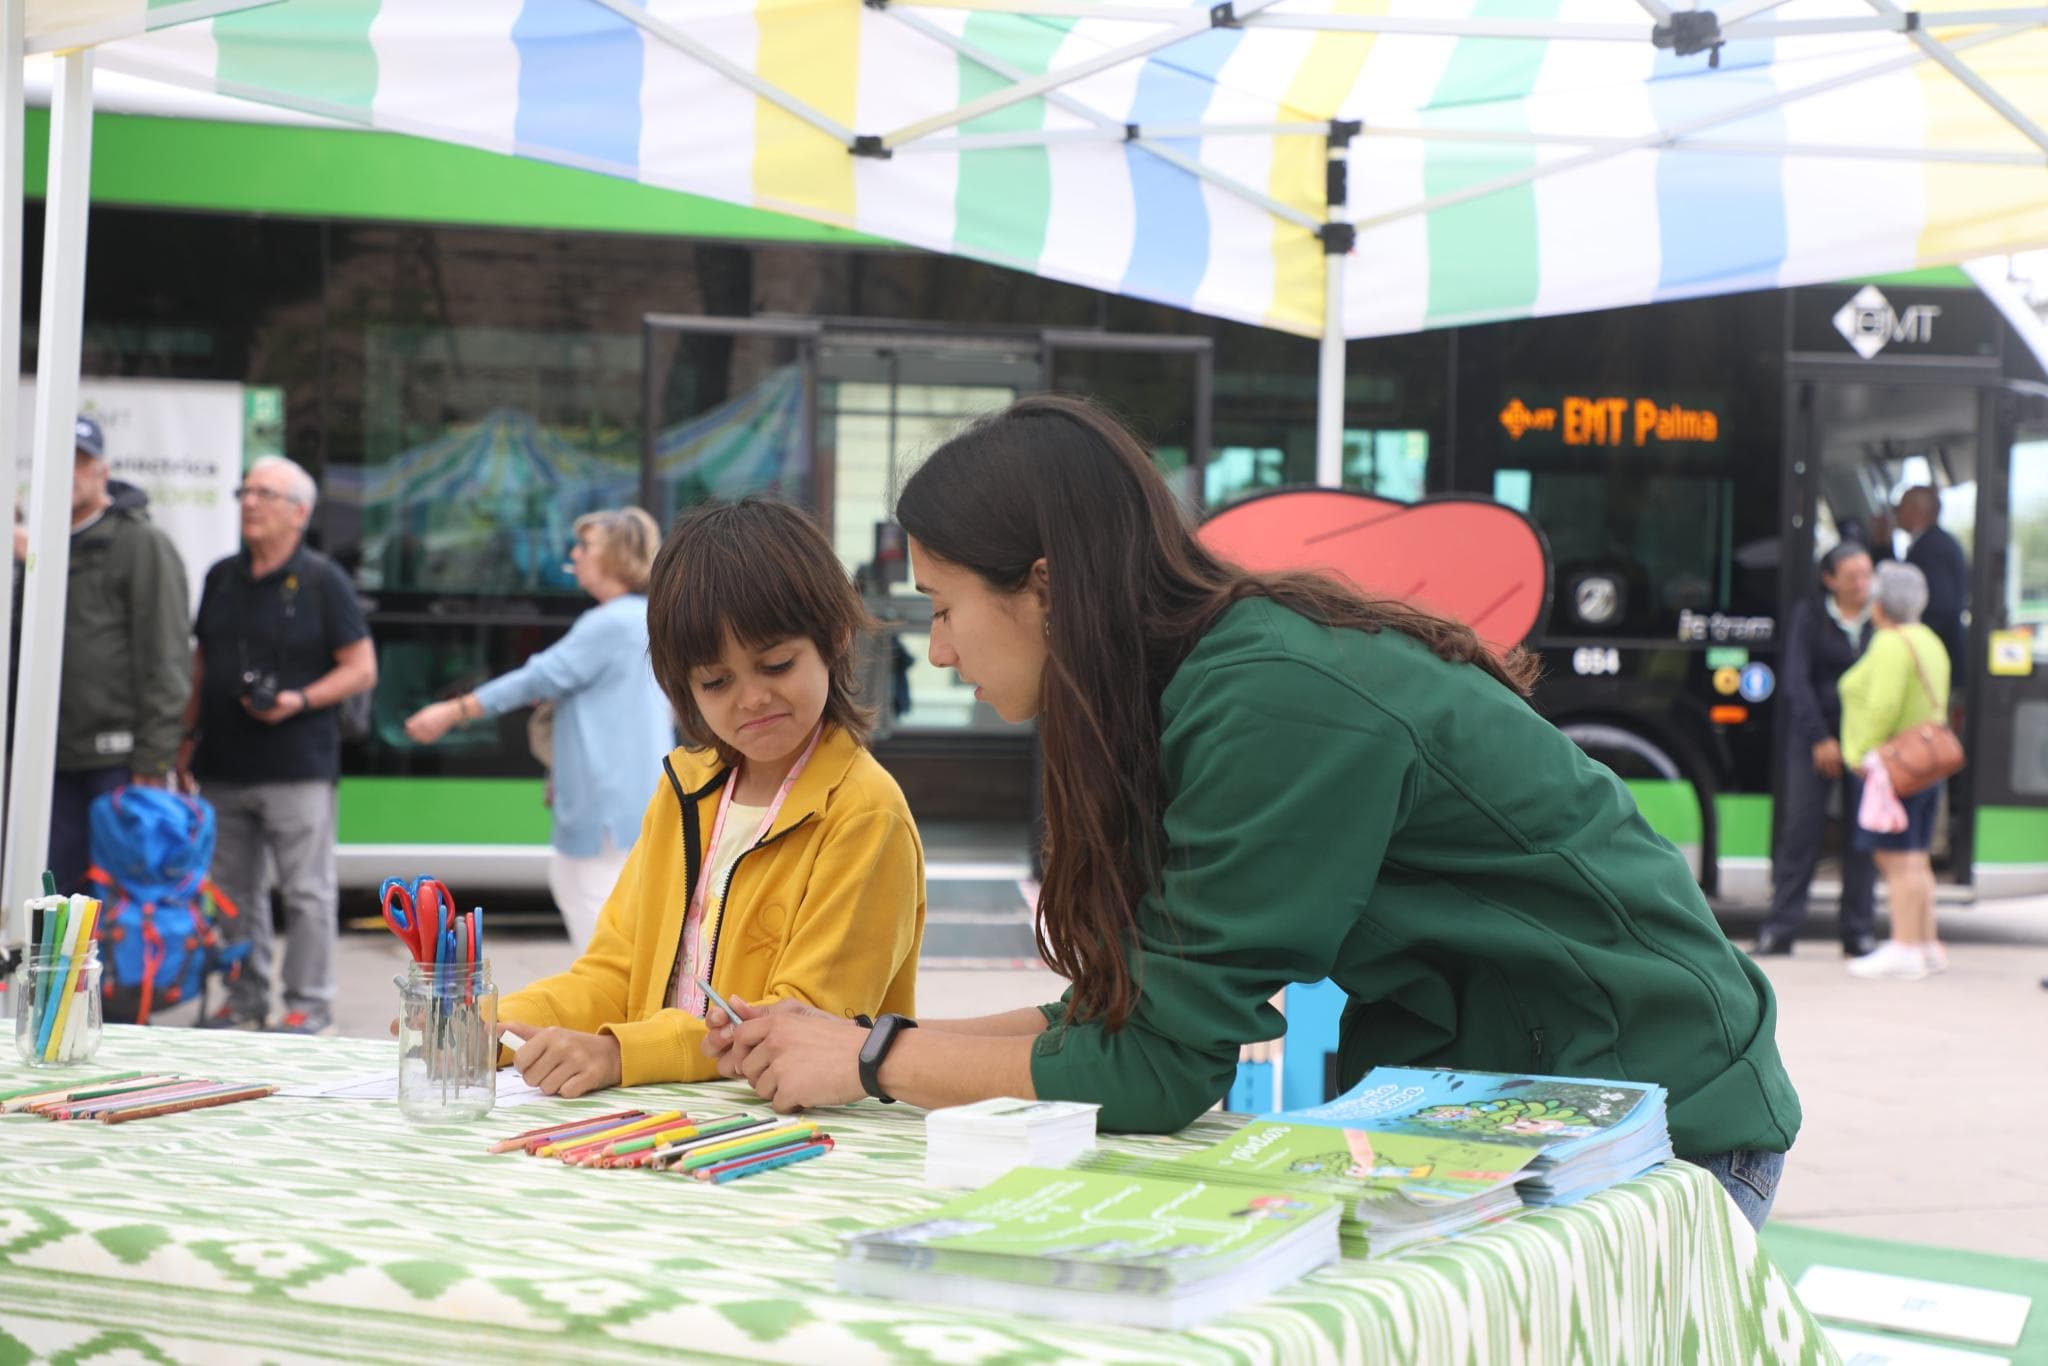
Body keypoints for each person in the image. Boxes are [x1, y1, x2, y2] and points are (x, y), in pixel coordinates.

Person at [705, 395, 1801, 1231]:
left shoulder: (1267, 698)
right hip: (1503, 1101)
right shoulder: (1189, 685)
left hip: (1659, 1121)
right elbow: (1123, 1018)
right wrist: (857, 1043)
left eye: (943, 610)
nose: (936, 649)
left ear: (1043, 586)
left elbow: (1155, 1071)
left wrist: (871, 1058)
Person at [494, 496, 926, 1098]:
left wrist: (621, 1052)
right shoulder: (684, 790)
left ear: (835, 638)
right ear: (682, 688)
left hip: (799, 1144)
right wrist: (499, 1019)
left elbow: (799, 1029)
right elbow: (614, 970)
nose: (751, 698)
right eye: (716, 681)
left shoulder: (864, 814)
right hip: (661, 1122)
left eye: (775, 664)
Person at [402, 507, 673, 947]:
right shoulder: (641, 618)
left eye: (586, 547)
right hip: (627, 799)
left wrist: (453, 711)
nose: (574, 554)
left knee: (595, 919)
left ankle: (605, 1013)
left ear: (617, 558)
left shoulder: (609, 623)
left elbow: (538, 677)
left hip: (603, 805)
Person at [181, 456, 377, 1033]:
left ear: (300, 512)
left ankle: (308, 1007)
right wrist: (183, 742)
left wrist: (301, 699)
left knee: (307, 894)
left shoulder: (323, 581)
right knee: (233, 893)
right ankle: (243, 1000)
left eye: (264, 493)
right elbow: (200, 666)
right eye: (245, 490)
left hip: (298, 765)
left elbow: (362, 668)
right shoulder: (221, 576)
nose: (249, 501)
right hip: (221, 762)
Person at [39, 416, 193, 894]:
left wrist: (154, 758)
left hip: (117, 763)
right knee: (50, 901)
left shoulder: (141, 543)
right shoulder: (36, 545)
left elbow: (167, 658)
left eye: (80, 463)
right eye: (58, 462)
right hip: (45, 761)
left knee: (114, 898)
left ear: (102, 473)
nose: (69, 473)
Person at [1754, 542, 1876, 958]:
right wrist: (1821, 738)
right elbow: (1796, 683)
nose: (1862, 584)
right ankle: (1781, 928)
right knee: (1800, 831)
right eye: (1852, 577)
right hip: (1812, 737)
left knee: (1863, 837)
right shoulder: (1810, 615)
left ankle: (1858, 930)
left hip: (1866, 741)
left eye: (1867, 574)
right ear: (1830, 580)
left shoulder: (1879, 619)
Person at [1841, 561, 1951, 982]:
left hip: (1893, 768)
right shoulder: (1929, 640)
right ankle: (1926, 944)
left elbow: (1882, 706)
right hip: (1925, 764)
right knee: (1917, 858)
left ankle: (1904, 947)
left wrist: (1863, 752)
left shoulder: (1889, 643)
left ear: (1880, 602)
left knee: (1896, 859)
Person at [1877, 486, 1968, 677]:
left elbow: (1941, 607)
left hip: (1935, 657)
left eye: (1899, 507)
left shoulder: (1931, 549)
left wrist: (1910, 637)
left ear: (1917, 511)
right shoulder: (1935, 543)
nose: (1895, 513)